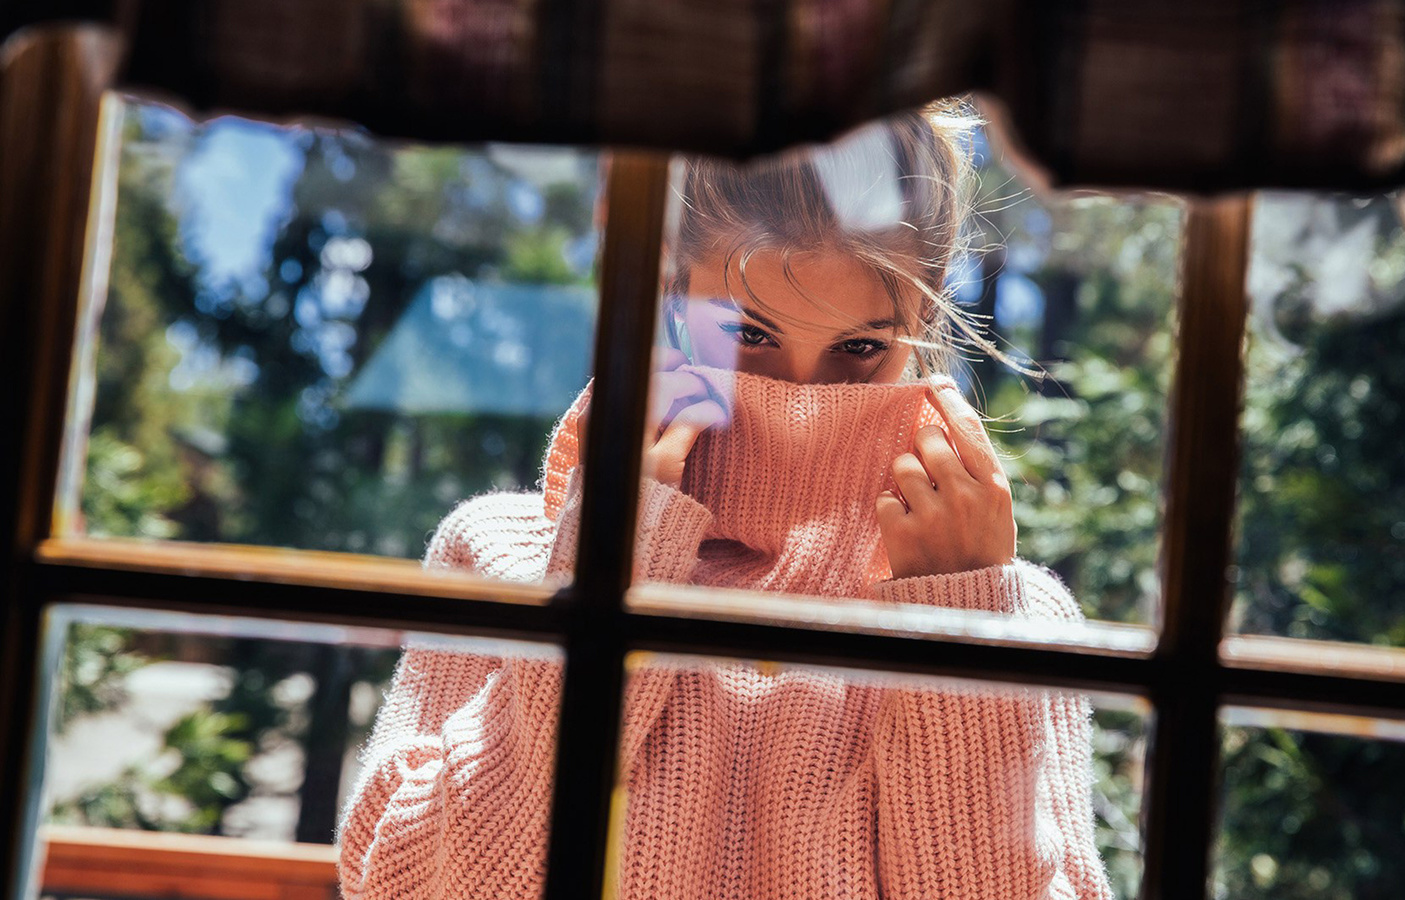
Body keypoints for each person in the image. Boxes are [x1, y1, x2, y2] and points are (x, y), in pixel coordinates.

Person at [338, 102, 1114, 900]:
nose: (802, 396)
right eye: (748, 335)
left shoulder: (1006, 610)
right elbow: (398, 885)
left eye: (861, 348)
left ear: (921, 332)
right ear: (663, 297)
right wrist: (601, 571)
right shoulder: (502, 553)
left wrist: (964, 628)